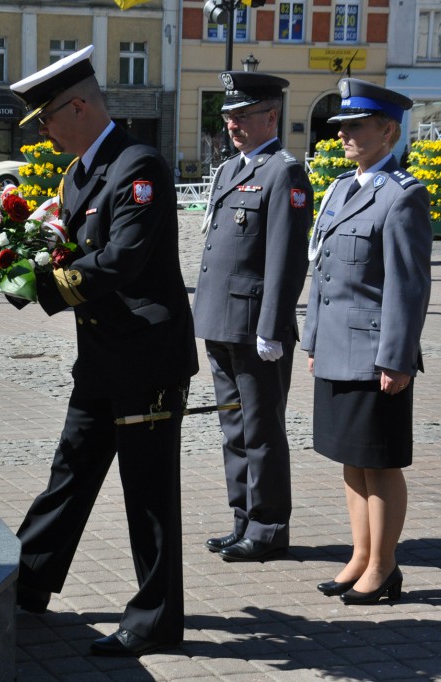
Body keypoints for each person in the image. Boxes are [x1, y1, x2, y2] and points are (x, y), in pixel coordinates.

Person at [8, 45, 198, 657]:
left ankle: (156, 620)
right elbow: (68, 247)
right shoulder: (79, 173)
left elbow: (121, 260)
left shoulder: (137, 166)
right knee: (70, 473)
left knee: (148, 497)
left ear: (80, 105)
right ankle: (26, 585)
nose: (44, 131)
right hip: (102, 356)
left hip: (147, 360)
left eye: (47, 119)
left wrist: (40, 285)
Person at [301, 78, 432, 605]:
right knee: (350, 460)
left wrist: (397, 358)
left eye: (358, 127)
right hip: (337, 348)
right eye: (343, 127)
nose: (346, 136)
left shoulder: (402, 196)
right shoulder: (339, 189)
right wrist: (312, 340)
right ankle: (358, 555)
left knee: (379, 463)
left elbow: (408, 285)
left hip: (376, 354)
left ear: (389, 132)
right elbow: (324, 275)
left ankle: (383, 565)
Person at [194, 72, 312, 563]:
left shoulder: (284, 171)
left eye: (242, 117)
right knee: (233, 429)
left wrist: (272, 326)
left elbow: (287, 258)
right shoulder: (228, 171)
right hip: (221, 321)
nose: (233, 125)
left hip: (255, 327)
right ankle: (243, 517)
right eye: (229, 117)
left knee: (262, 431)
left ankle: (268, 527)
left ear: (271, 116)